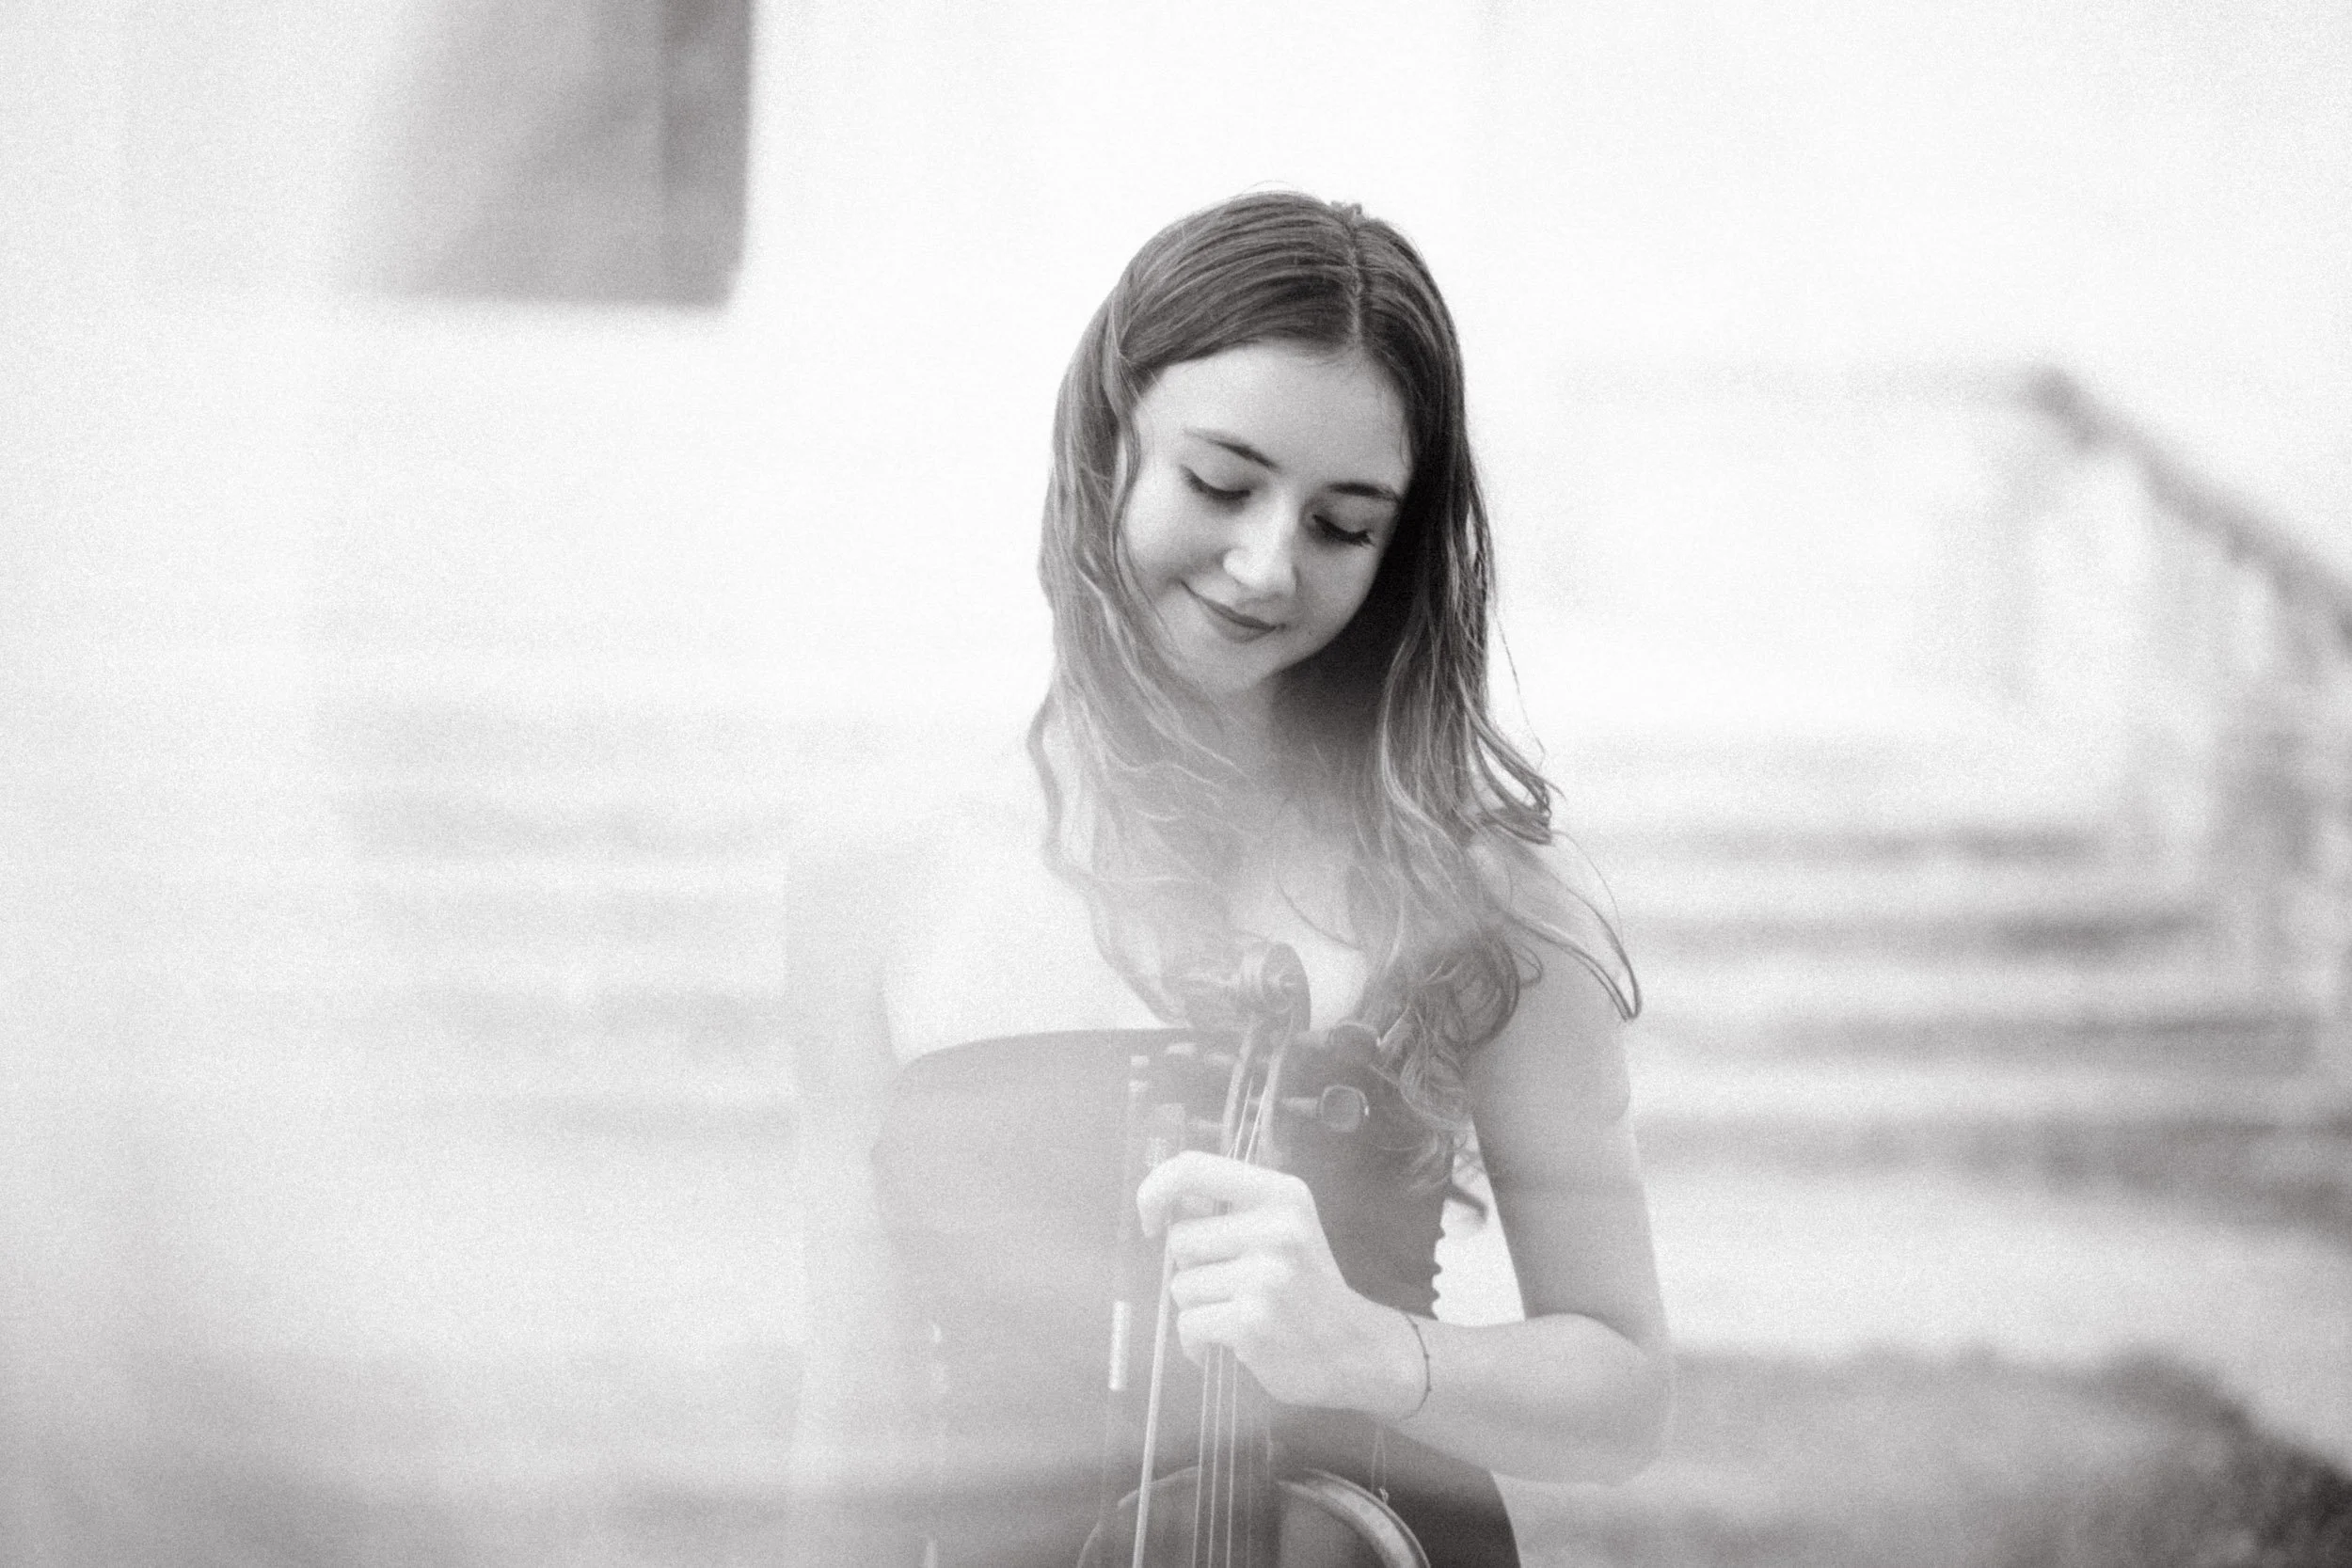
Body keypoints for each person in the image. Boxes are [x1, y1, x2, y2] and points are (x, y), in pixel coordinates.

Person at [787, 191, 1672, 1567]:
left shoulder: (1481, 883)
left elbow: (1620, 1393)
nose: (1268, 563)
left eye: (1346, 522)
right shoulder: (882, 868)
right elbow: (859, 1397)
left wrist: (1374, 1351)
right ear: (1108, 443)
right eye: (1220, 482)